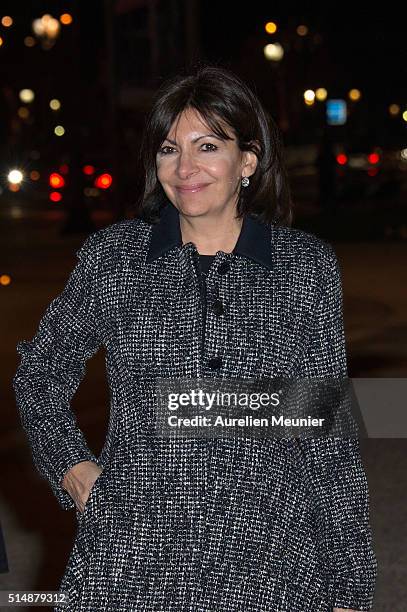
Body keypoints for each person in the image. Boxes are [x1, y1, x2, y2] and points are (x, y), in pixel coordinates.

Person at [13, 64, 377, 611]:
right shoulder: (115, 260)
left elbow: (326, 439)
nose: (185, 167)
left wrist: (348, 585)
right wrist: (70, 463)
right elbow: (40, 374)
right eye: (168, 149)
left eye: (207, 146)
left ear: (247, 160)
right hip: (130, 558)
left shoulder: (303, 268)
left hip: (270, 559)